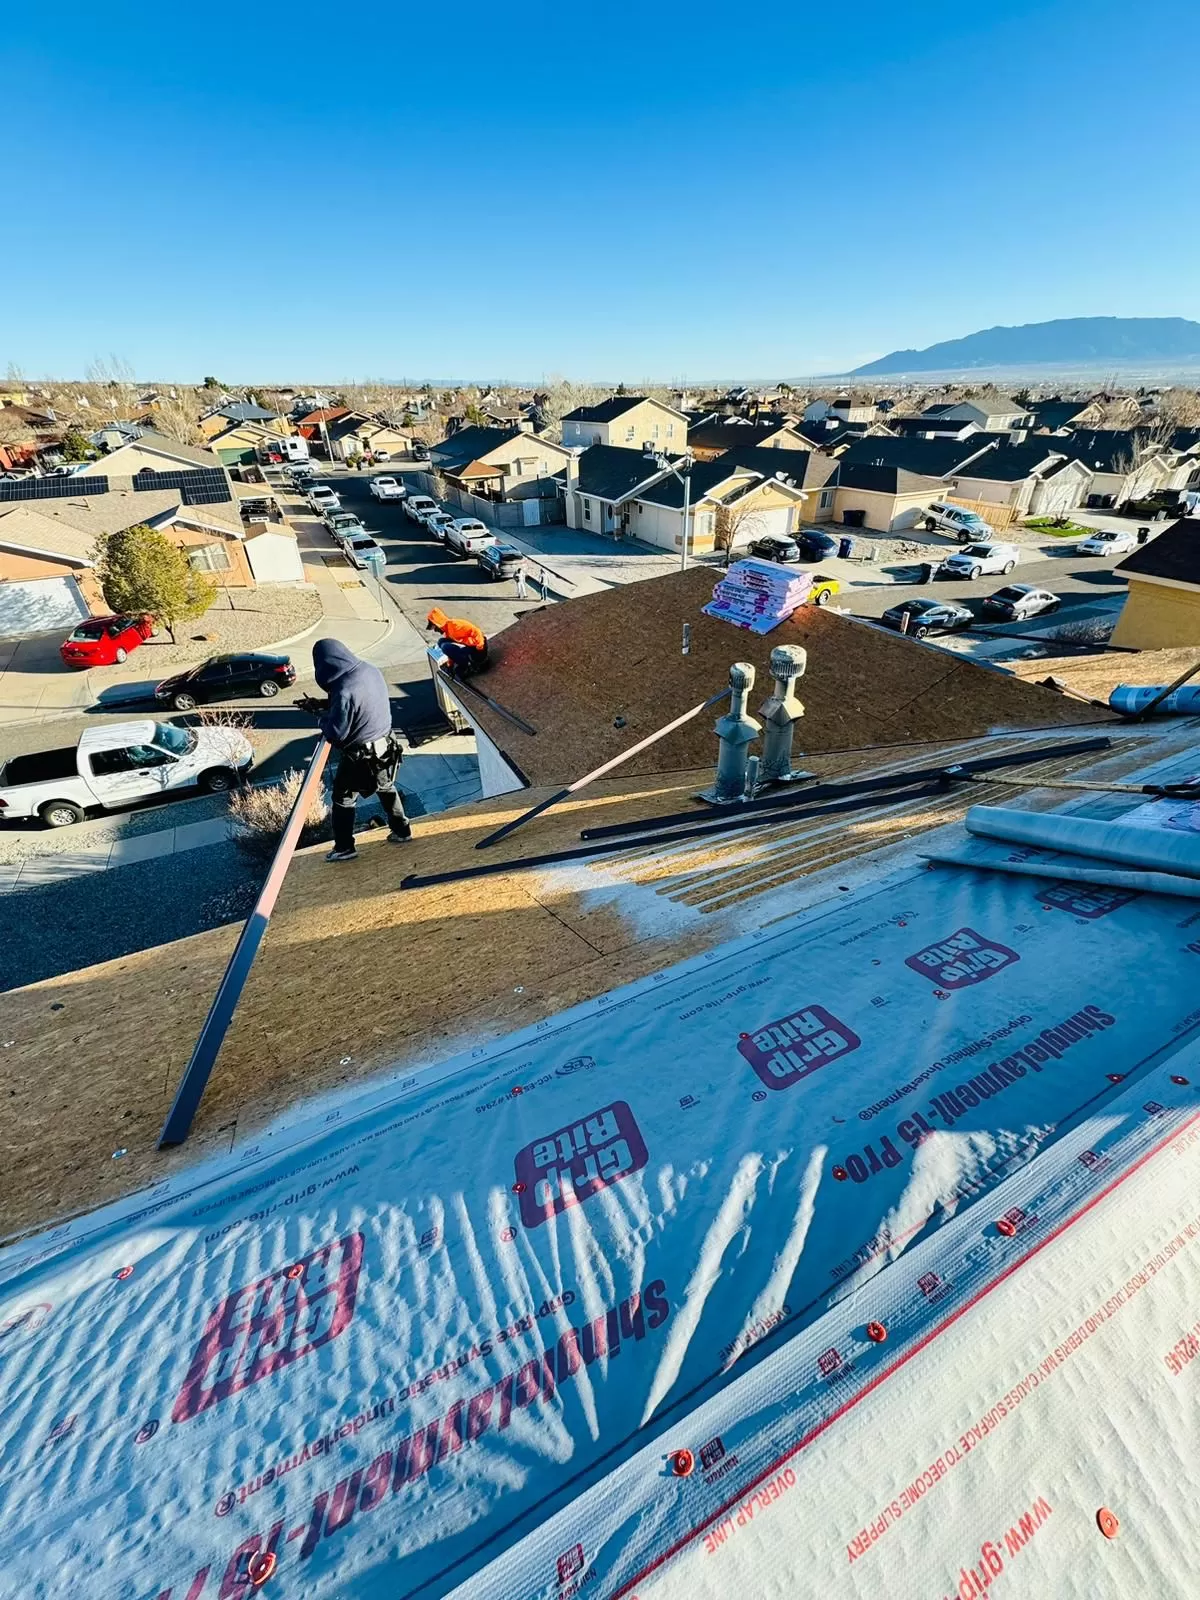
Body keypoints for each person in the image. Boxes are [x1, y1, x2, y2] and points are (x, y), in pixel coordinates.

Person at [299, 638, 410, 863]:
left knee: (343, 798)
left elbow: (336, 733)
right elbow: (360, 705)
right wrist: (323, 704)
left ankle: (344, 847)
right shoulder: (369, 669)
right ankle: (402, 830)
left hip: (362, 757)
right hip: (386, 747)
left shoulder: (343, 690)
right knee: (386, 787)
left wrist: (320, 719)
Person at [426, 608, 488, 677]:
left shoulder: (455, 626)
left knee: (445, 646)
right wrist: (450, 665)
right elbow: (449, 650)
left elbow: (477, 632)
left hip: (479, 650)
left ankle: (467, 665)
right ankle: (465, 662)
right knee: (441, 642)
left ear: (439, 625)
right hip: (471, 646)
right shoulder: (448, 630)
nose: (435, 631)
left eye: (435, 628)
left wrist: (480, 648)